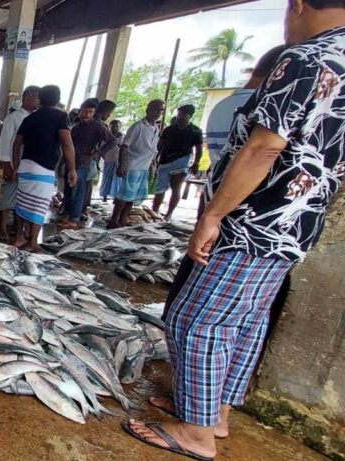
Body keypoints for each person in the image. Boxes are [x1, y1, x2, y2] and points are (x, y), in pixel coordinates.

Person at [125, 3, 345, 460]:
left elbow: (264, 148)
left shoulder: (307, 56)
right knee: (246, 320)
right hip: (296, 223)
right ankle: (216, 414)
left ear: (298, 5)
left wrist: (213, 215)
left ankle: (196, 433)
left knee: (196, 320)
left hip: (255, 220)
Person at [200, 45, 287, 216]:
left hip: (217, 197)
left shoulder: (221, 106)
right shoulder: (266, 107)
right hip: (247, 206)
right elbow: (259, 154)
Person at [11, 85, 75, 252]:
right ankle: (32, 243)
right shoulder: (61, 116)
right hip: (43, 169)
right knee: (39, 206)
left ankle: (19, 238)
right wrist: (72, 169)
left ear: (40, 99)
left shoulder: (29, 118)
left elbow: (16, 145)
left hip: (25, 166)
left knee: (22, 203)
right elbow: (67, 143)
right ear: (57, 99)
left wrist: (16, 167)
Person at [107, 99, 165, 229]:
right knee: (124, 196)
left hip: (144, 167)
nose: (158, 113)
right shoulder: (137, 126)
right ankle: (113, 221)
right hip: (132, 166)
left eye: (161, 110)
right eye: (156, 109)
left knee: (132, 197)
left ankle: (122, 220)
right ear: (148, 109)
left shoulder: (155, 128)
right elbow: (124, 147)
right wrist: (121, 165)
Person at [59, 99, 116, 229]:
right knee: (68, 190)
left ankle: (74, 218)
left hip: (82, 163)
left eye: (90, 112)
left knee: (78, 190)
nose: (87, 114)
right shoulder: (76, 126)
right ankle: (68, 214)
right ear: (80, 111)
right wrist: (63, 162)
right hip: (70, 162)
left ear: (94, 113)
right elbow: (67, 145)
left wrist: (93, 154)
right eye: (85, 111)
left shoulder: (98, 126)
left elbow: (111, 141)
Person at [0, 86, 40, 242]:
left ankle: (17, 227)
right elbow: (4, 142)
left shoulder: (36, 118)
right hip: (13, 164)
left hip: (28, 165)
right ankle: (2, 228)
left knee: (23, 198)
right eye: (36, 97)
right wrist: (6, 165)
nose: (38, 101)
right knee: (8, 195)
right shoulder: (13, 118)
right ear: (25, 98)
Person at [151, 104, 203, 221]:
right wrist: (154, 159)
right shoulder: (169, 129)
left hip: (182, 161)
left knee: (176, 187)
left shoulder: (195, 131)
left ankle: (169, 213)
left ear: (189, 116)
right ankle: (154, 211)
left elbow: (199, 149)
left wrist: (196, 163)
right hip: (165, 161)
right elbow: (160, 145)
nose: (180, 117)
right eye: (179, 114)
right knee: (160, 188)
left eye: (183, 115)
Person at [98, 119, 124, 202]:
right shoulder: (106, 136)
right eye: (113, 126)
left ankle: (116, 197)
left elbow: (125, 149)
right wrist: (104, 157)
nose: (115, 128)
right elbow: (101, 148)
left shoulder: (123, 137)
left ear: (120, 127)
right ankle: (104, 196)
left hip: (118, 161)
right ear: (109, 127)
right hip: (108, 160)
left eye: (117, 126)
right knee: (106, 179)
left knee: (117, 180)